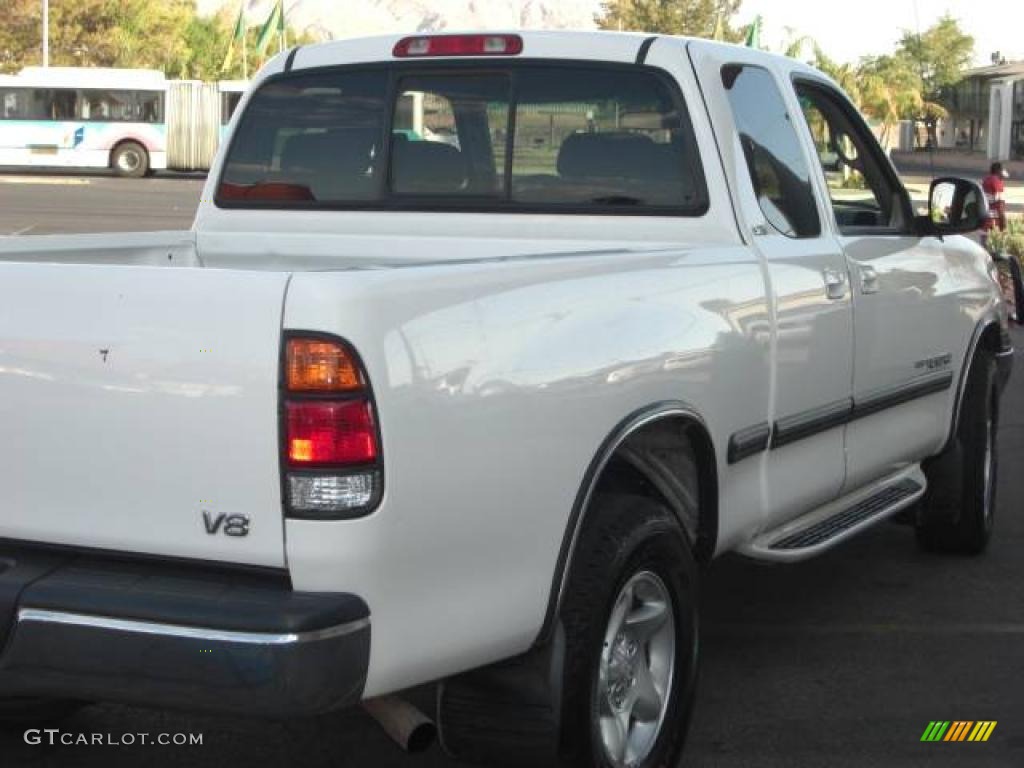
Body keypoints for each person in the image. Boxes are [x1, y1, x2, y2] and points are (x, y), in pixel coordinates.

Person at [982, 161, 1009, 237]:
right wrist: (1003, 223)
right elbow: (999, 204)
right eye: (1002, 170)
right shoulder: (996, 182)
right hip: (994, 222)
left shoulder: (986, 180)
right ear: (998, 171)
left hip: (985, 221)